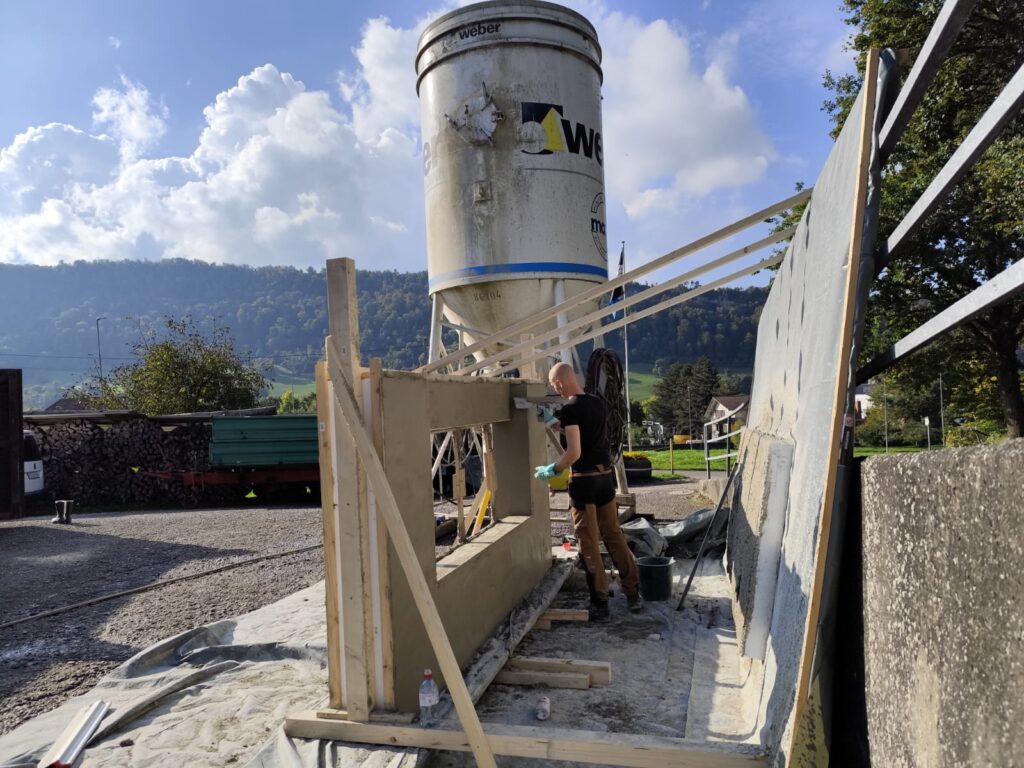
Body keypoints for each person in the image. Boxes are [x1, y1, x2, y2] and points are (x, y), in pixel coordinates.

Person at [535, 362, 642, 620]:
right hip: (605, 479)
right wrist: (553, 423)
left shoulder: (570, 409)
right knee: (614, 534)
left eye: (553, 385)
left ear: (560, 382)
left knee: (589, 542)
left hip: (583, 483)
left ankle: (600, 601)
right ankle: (633, 593)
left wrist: (553, 469)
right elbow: (584, 433)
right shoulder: (598, 403)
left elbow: (574, 451)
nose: (555, 389)